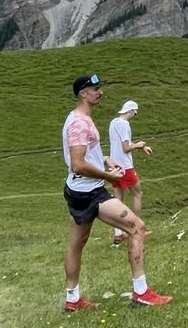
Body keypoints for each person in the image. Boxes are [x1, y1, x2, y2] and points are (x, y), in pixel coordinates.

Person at [62, 73, 171, 312]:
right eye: (95, 89)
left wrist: (107, 160)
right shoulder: (80, 123)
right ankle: (141, 292)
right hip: (88, 191)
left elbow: (85, 156)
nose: (100, 92)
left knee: (76, 244)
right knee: (137, 227)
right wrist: (109, 176)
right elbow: (78, 163)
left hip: (78, 189)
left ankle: (72, 299)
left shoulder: (78, 118)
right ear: (83, 93)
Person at [108, 98, 151, 247]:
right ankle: (137, 229)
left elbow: (120, 145)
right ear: (131, 111)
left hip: (114, 166)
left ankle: (118, 233)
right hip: (125, 166)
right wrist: (138, 145)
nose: (134, 115)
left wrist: (139, 146)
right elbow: (126, 148)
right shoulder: (125, 124)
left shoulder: (113, 122)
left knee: (117, 199)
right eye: (135, 112)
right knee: (137, 194)